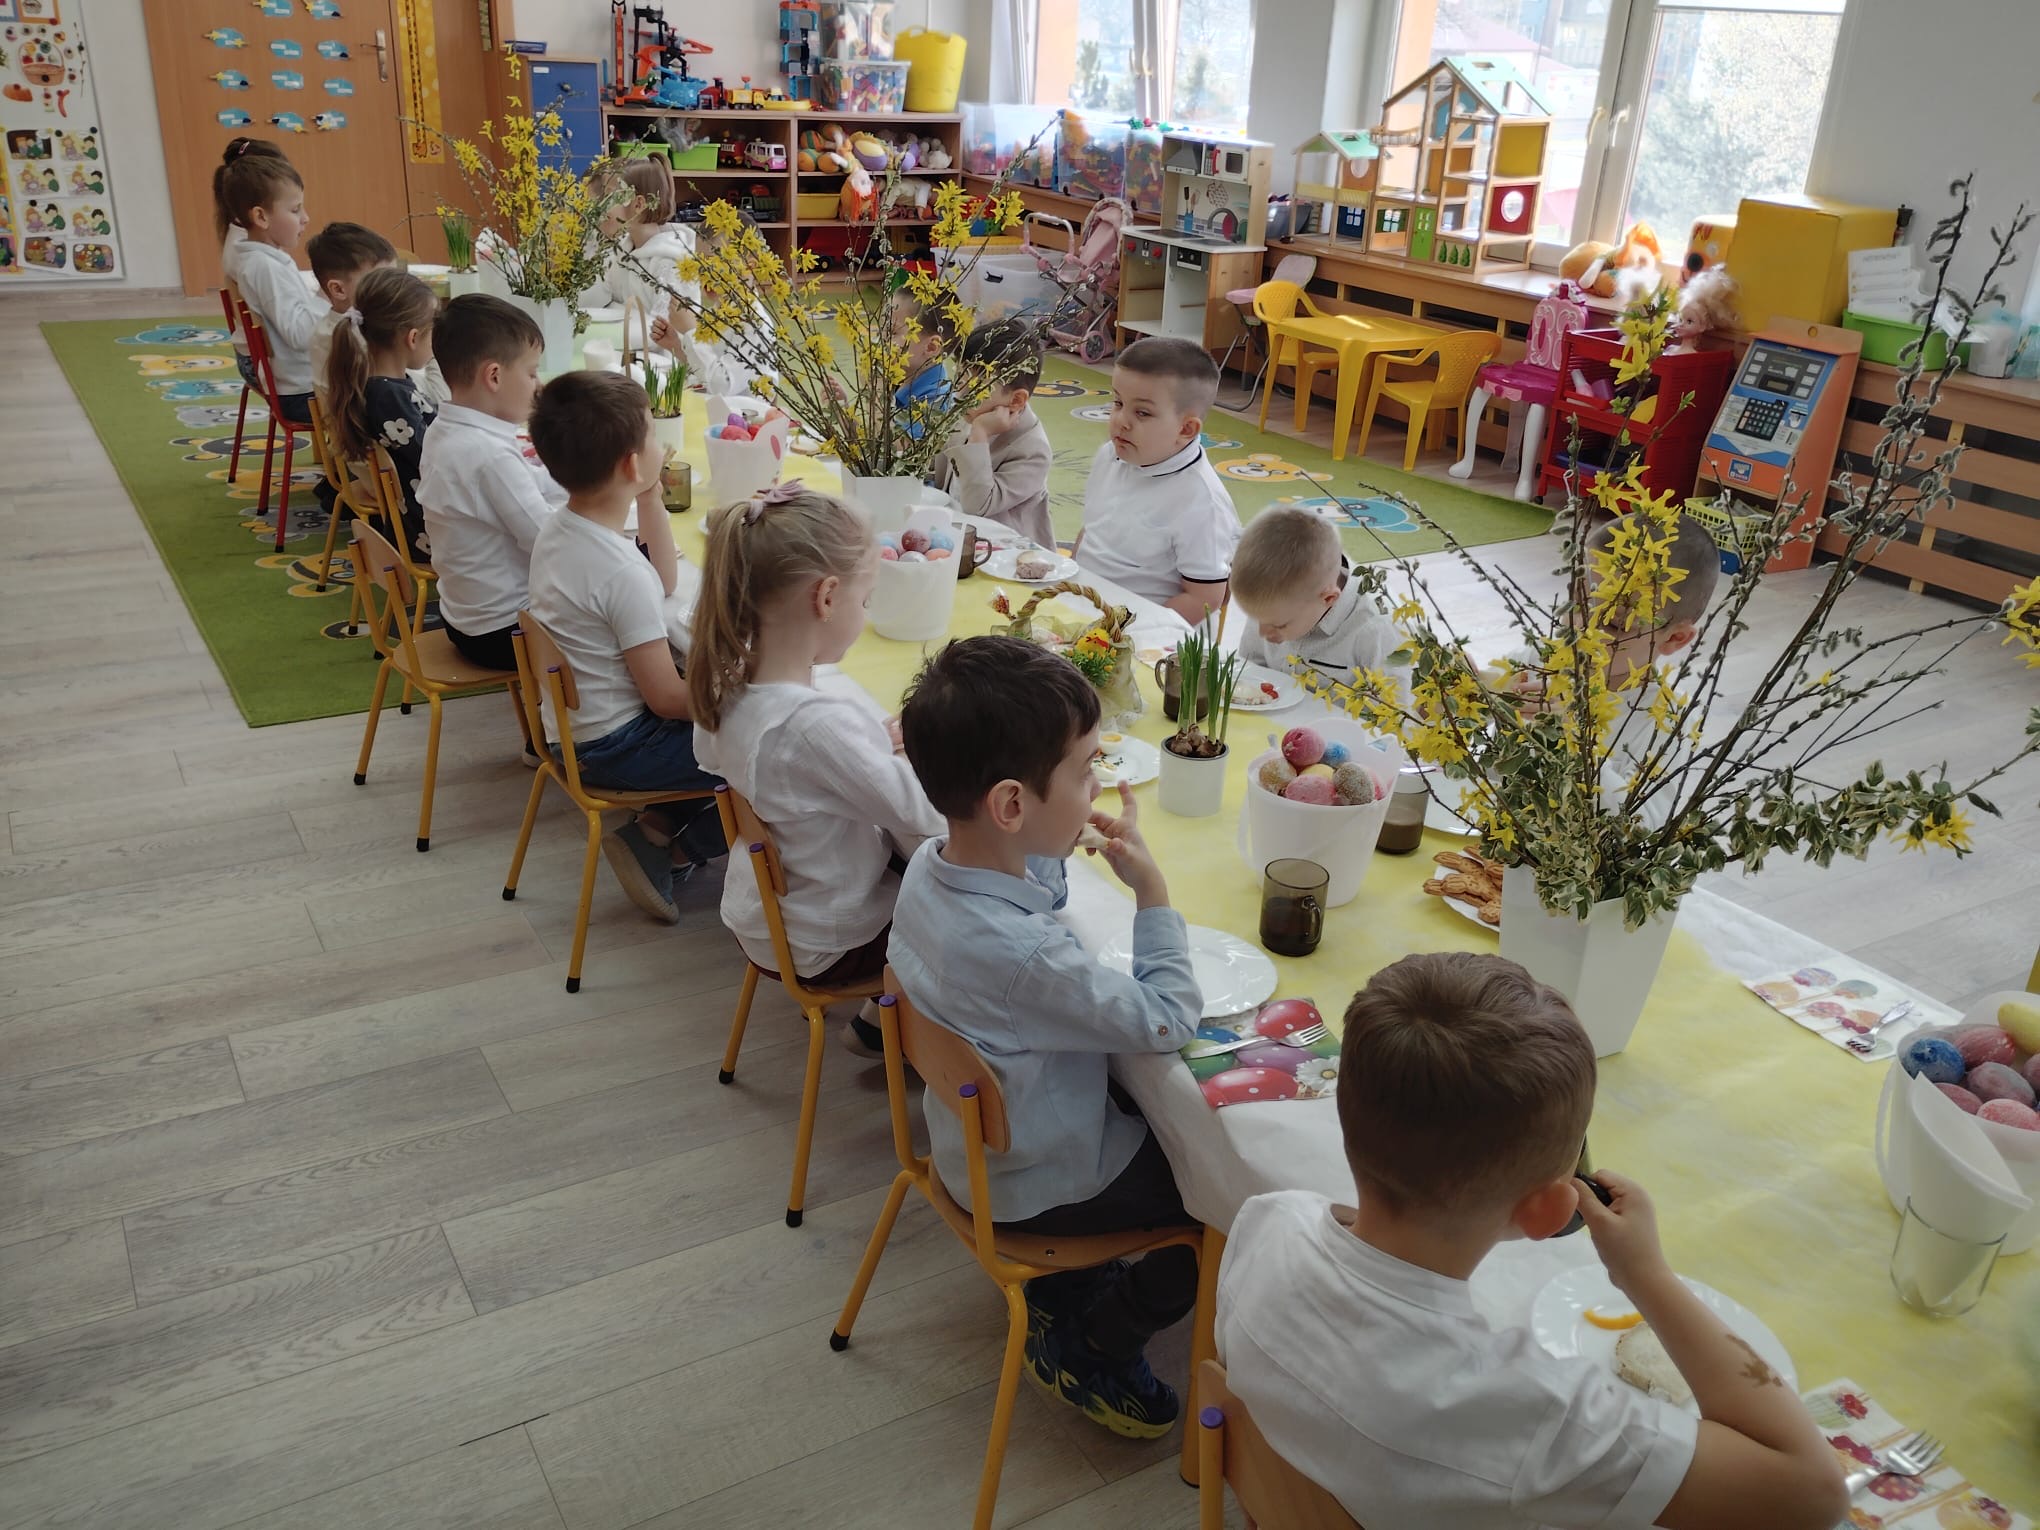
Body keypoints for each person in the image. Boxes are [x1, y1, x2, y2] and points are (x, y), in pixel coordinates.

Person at [1216, 952, 1848, 1530]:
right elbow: (1813, 1493)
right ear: (1549, 1213)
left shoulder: (1268, 1222)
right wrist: (1647, 1275)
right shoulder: (1534, 1417)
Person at [892, 635, 1203, 1439]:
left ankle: (1072, 1292)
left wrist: (1060, 836)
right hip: (1039, 1182)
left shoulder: (929, 866)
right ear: (1010, 806)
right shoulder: (1026, 959)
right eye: (1086, 769)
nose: (1096, 785)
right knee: (1221, 1196)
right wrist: (1153, 894)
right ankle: (1097, 1343)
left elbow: (1037, 893)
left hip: (974, 1154)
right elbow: (1169, 1019)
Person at [689, 483, 942, 1055]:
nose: (864, 614)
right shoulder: (812, 723)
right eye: (865, 600)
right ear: (827, 597)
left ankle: (882, 1020)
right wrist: (908, 753)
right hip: (829, 938)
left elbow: (728, 758)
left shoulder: (729, 684)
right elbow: (925, 815)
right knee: (977, 898)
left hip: (764, 918)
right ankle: (900, 1030)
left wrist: (868, 748)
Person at [526, 370, 725, 922]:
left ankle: (655, 828)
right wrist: (744, 698)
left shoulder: (561, 529)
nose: (663, 444)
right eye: (653, 434)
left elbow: (662, 580)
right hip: (616, 747)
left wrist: (650, 495)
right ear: (631, 464)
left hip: (573, 732)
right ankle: (674, 852)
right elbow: (667, 699)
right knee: (763, 755)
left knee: (725, 726)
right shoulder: (617, 572)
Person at [417, 294, 564, 674]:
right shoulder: (488, 455)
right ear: (494, 376)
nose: (538, 384)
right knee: (629, 609)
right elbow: (549, 545)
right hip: (507, 632)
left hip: (464, 619)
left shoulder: (444, 429)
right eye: (531, 373)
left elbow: (531, 483)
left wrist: (584, 478)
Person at [1072, 336, 1240, 624]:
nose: (1121, 420)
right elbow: (1092, 531)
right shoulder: (1110, 455)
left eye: (1142, 413)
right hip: (1080, 608)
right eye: (1118, 402)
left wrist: (1123, 629)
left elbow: (1204, 598)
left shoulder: (1201, 501)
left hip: (1142, 631)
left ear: (1186, 429)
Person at [323, 266, 439, 563]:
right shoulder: (388, 398)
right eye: (434, 332)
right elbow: (434, 460)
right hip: (427, 531)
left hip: (419, 518)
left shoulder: (384, 385)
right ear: (413, 338)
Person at [1230, 506, 1409, 688]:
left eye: (1279, 625)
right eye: (1255, 617)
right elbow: (1250, 669)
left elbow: (1397, 703)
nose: (1262, 633)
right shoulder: (1272, 600)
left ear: (1328, 599)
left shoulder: (1378, 628)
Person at [215, 138, 319, 425]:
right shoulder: (263, 267)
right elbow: (299, 335)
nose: (306, 218)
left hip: (299, 384)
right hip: (302, 393)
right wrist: (326, 299)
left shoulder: (264, 258)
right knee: (387, 392)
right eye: (295, 210)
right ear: (260, 216)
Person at [929, 317, 1055, 551]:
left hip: (1006, 555)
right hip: (955, 539)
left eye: (974, 389)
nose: (959, 394)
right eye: (960, 378)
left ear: (1016, 400)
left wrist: (980, 434)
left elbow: (978, 506)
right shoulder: (968, 414)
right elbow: (937, 476)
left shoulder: (1032, 450)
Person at [306, 221, 448, 411]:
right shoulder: (366, 340)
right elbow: (440, 401)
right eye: (380, 280)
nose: (395, 289)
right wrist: (434, 344)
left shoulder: (328, 330)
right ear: (338, 289)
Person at [648, 207, 773, 398]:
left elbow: (722, 385)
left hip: (744, 413)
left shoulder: (755, 324)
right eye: (700, 262)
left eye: (713, 262)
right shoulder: (718, 311)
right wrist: (677, 346)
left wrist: (691, 332)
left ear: (749, 266)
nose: (703, 272)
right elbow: (709, 367)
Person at [214, 137, 295, 393]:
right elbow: (283, 332)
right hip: (263, 364)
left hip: (261, 356)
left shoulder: (249, 239)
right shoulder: (250, 256)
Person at [582, 157, 696, 325]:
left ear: (638, 204)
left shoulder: (671, 263)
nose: (598, 208)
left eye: (607, 198)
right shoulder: (622, 252)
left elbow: (664, 331)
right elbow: (592, 300)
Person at [888, 288, 961, 441]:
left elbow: (894, 450)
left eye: (892, 333)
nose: (880, 340)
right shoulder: (898, 379)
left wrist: (876, 400)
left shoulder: (937, 402)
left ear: (931, 347)